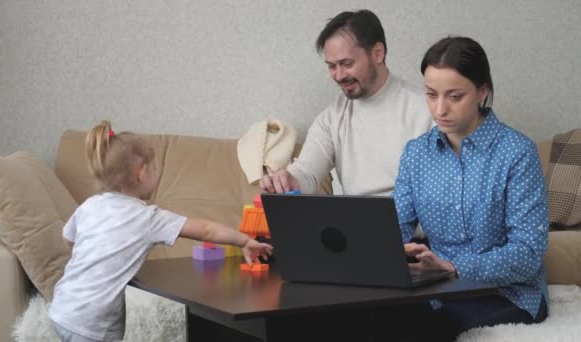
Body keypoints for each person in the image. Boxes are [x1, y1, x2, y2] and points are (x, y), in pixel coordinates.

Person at [48, 121, 273, 342]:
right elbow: (205, 230)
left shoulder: (90, 206)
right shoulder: (147, 217)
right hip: (92, 325)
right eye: (155, 167)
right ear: (142, 173)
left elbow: (68, 240)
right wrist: (244, 241)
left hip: (62, 309)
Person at [391, 36, 549, 341]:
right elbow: (393, 227)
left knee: (424, 329)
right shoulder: (416, 153)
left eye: (454, 96)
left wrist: (452, 267)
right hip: (435, 290)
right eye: (431, 94)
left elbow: (528, 254)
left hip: (508, 294)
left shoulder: (517, 153)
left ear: (482, 91)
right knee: (363, 320)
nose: (439, 109)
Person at [260, 9, 433, 196]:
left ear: (377, 53)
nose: (339, 75)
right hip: (352, 222)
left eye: (347, 64)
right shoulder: (333, 118)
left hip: (408, 222)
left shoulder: (425, 109)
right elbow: (307, 174)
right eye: (332, 66)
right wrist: (288, 180)